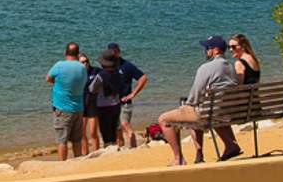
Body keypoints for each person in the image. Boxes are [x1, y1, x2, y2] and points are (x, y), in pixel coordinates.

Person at [157, 36, 243, 166]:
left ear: (215, 50)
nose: (205, 50)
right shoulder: (230, 67)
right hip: (225, 112)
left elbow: (194, 95)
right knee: (201, 109)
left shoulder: (206, 68)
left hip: (208, 114)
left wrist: (187, 105)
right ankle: (227, 146)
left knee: (163, 119)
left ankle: (178, 158)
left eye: (207, 48)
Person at [46, 42, 89, 160]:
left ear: (65, 52)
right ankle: (78, 162)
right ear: (77, 53)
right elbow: (83, 83)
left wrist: (58, 83)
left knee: (62, 140)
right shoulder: (82, 67)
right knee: (77, 140)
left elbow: (48, 78)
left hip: (63, 108)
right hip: (78, 108)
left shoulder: (59, 65)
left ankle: (62, 165)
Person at [101, 44, 149, 148]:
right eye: (111, 52)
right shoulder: (107, 65)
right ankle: (120, 150)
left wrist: (133, 94)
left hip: (125, 103)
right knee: (117, 130)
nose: (113, 54)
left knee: (124, 124)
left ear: (119, 52)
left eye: (115, 51)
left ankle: (133, 148)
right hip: (111, 103)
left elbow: (143, 78)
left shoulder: (126, 65)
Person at [86, 52, 128, 148]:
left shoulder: (101, 75)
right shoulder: (118, 73)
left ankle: (108, 148)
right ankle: (114, 145)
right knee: (114, 129)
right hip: (116, 105)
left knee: (105, 131)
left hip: (103, 106)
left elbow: (91, 89)